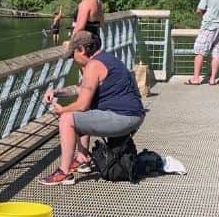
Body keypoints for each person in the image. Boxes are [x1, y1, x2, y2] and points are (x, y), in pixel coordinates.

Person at [39, 30, 145, 186]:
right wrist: (55, 92)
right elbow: (80, 88)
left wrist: (62, 110)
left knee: (67, 119)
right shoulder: (106, 59)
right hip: (134, 116)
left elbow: (82, 105)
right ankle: (82, 160)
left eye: (73, 55)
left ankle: (64, 172)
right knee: (79, 116)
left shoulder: (93, 65)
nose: (73, 59)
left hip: (123, 118)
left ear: (81, 50)